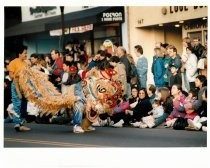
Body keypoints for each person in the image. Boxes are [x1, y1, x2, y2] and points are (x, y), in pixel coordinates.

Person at [8, 45, 31, 131]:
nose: (26, 54)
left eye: (26, 53)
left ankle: (21, 123)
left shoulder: (25, 64)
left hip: (24, 86)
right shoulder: (13, 62)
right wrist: (19, 76)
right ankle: (16, 124)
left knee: (24, 105)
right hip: (16, 85)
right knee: (17, 104)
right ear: (19, 54)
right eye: (25, 53)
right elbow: (10, 76)